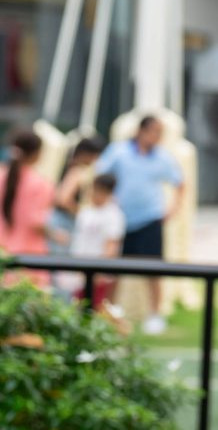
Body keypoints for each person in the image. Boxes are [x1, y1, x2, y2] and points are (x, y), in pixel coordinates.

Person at [96, 115, 183, 333]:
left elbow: (180, 183)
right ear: (141, 131)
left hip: (149, 220)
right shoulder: (119, 152)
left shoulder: (162, 157)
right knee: (112, 270)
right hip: (120, 220)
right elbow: (101, 175)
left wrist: (173, 209)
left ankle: (155, 314)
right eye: (153, 131)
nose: (156, 137)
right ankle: (109, 312)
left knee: (153, 270)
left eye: (160, 133)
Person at [54, 172, 124, 313]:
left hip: (97, 274)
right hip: (78, 270)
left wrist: (98, 271)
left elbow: (111, 247)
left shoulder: (113, 215)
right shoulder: (87, 210)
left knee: (93, 311)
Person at [1, 129, 54, 286]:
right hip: (29, 260)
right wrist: (55, 234)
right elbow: (35, 222)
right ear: (37, 154)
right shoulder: (41, 184)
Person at [47, 134, 105, 254]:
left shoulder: (68, 165)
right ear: (85, 153)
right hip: (63, 223)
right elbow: (62, 199)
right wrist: (81, 212)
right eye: (94, 156)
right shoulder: (77, 171)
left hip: (58, 221)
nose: (95, 160)